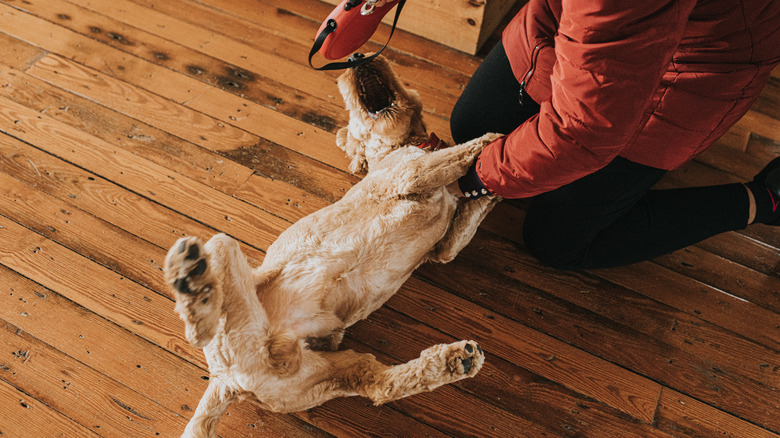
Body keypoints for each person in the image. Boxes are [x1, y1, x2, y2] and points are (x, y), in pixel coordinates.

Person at [447, 0, 780, 269]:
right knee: (472, 129)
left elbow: (584, 130)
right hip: (579, 21)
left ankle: (764, 199)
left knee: (556, 240)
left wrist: (472, 181)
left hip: (699, 62)